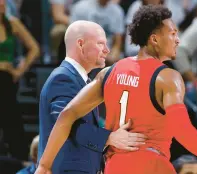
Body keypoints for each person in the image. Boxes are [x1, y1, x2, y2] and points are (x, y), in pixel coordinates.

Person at [35, 5, 197, 174]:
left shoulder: (109, 72)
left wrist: (44, 165)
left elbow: (67, 114)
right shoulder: (167, 78)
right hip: (152, 164)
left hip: (114, 166)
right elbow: (181, 128)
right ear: (155, 39)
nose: (178, 40)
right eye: (173, 33)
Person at [37, 20, 147, 174]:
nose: (107, 50)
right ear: (81, 44)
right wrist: (110, 137)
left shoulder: (81, 79)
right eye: (101, 44)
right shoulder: (63, 78)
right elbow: (65, 125)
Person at [0, 0, 39, 160]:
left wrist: (19, 70)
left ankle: (19, 154)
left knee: (6, 90)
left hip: (6, 79)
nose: (2, 3)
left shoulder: (12, 23)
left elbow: (34, 48)